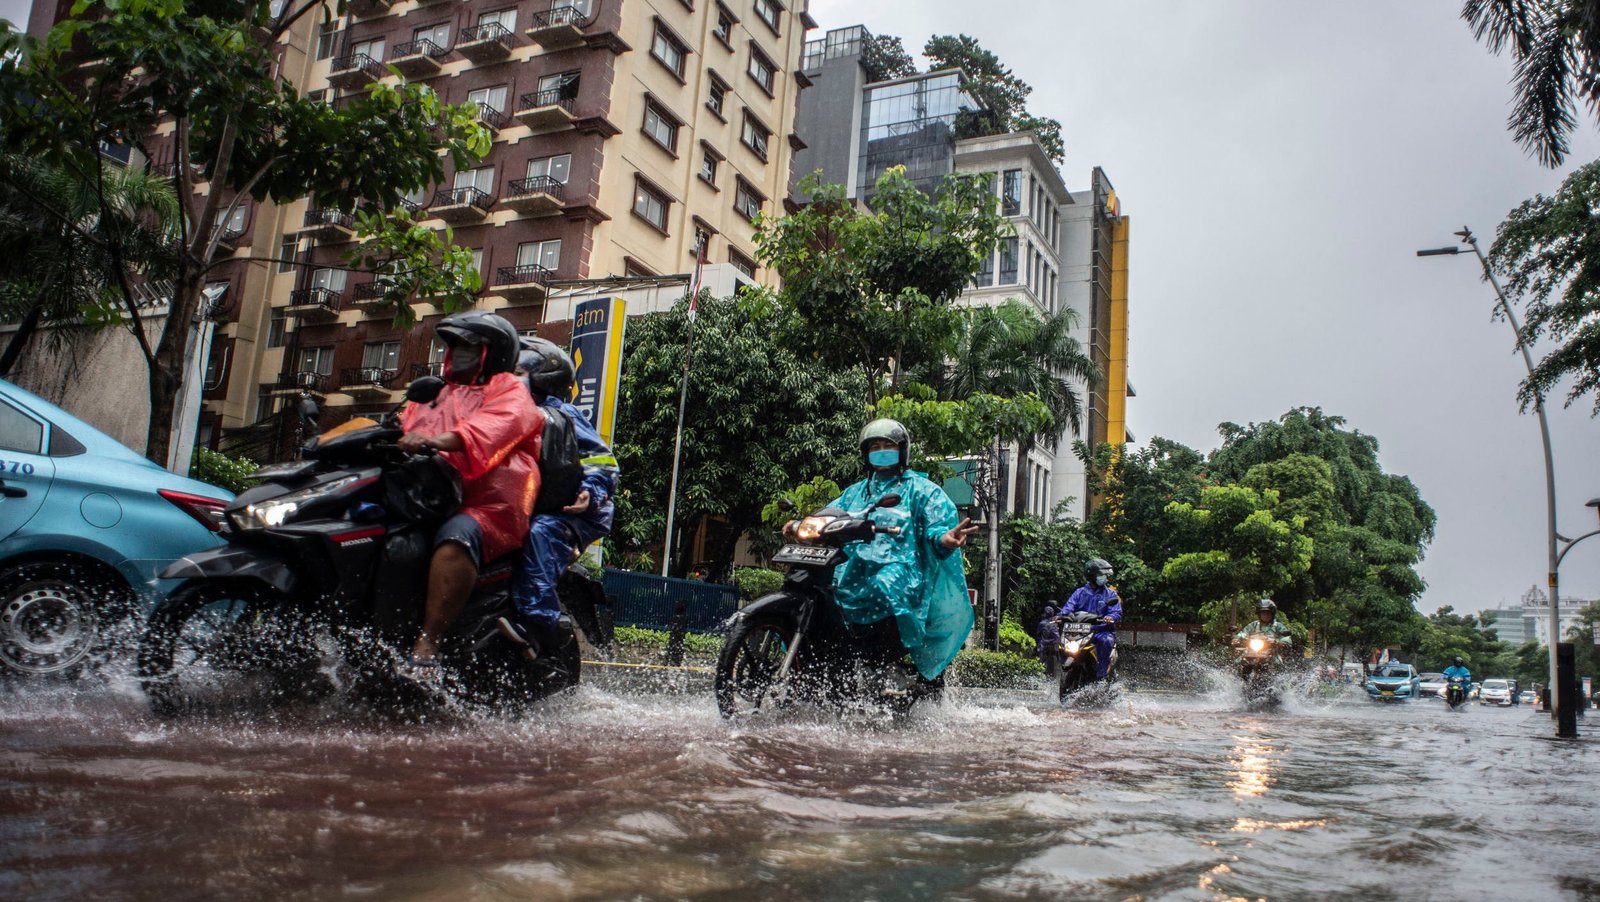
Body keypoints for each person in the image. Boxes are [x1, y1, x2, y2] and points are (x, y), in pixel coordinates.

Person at [396, 312, 542, 681]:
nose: (458, 353)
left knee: (455, 540)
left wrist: (435, 441)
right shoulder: (434, 393)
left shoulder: (510, 391)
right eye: (455, 345)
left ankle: (428, 643)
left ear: (492, 352)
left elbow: (489, 429)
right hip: (426, 493)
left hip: (487, 503)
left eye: (469, 346)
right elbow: (401, 427)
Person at [817, 418, 977, 682]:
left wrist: (945, 539)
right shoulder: (855, 492)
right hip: (853, 570)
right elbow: (829, 515)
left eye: (887, 445)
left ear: (902, 450)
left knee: (885, 583)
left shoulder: (923, 491)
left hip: (903, 572)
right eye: (875, 446)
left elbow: (938, 528)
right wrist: (803, 522)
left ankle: (890, 661)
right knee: (821, 591)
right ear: (866, 454)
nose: (881, 451)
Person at [502, 337, 619, 655]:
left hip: (571, 511)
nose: (510, 378)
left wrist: (590, 492)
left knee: (541, 533)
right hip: (528, 505)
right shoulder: (503, 413)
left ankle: (539, 627)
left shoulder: (561, 416)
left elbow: (602, 461)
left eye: (518, 372)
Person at [1062, 559, 1122, 681]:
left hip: (1101, 631)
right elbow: (1068, 607)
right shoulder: (1079, 593)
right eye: (1101, 575)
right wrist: (1061, 616)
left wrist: (1111, 617)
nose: (1104, 578)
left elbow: (1116, 611)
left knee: (1106, 641)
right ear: (1092, 576)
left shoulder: (1110, 594)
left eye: (1105, 575)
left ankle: (1102, 675)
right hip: (1081, 631)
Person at [1234, 598, 1292, 663]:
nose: (1265, 615)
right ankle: (1230, 673)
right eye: (1263, 613)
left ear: (1272, 614)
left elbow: (1286, 638)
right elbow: (1244, 632)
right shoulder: (1253, 625)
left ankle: (1279, 673)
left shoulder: (1278, 626)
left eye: (1268, 613)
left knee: (1277, 663)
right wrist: (1237, 638)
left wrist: (1282, 642)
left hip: (1272, 653)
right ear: (1259, 614)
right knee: (1238, 661)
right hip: (1252, 651)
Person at [1037, 604, 1061, 677]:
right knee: (1058, 662)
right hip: (1055, 646)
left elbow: (1038, 634)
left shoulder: (1042, 623)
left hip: (1043, 646)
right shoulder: (1055, 623)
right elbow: (1057, 636)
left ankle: (1042, 675)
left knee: (1042, 663)